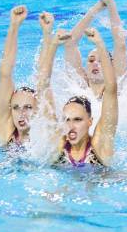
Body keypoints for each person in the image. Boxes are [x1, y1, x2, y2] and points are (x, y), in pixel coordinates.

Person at [38, 26, 118, 167]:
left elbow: (111, 90)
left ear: (90, 121)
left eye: (77, 119)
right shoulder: (58, 144)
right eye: (66, 119)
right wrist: (53, 45)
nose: (71, 125)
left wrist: (100, 44)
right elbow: (42, 87)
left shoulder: (99, 145)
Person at [65, 0, 127, 99]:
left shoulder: (118, 83)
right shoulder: (79, 87)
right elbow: (70, 43)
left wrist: (110, 3)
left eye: (102, 61)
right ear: (85, 69)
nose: (95, 64)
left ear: (112, 67)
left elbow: (120, 43)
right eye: (91, 60)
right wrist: (97, 7)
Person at [0, 5, 40, 147]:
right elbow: (5, 74)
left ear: (38, 110)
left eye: (28, 107)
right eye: (15, 107)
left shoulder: (45, 141)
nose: (21, 113)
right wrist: (14, 26)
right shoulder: (5, 132)